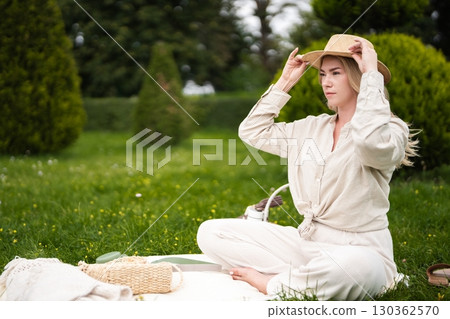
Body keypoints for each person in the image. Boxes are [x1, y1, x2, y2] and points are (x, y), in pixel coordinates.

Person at [196, 34, 418, 300]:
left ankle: (274, 284)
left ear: (358, 76)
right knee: (210, 232)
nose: (326, 82)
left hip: (360, 251)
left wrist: (372, 73)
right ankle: (307, 278)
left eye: (336, 73)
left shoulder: (391, 130)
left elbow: (369, 143)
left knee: (355, 269)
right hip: (307, 243)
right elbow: (252, 131)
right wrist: (285, 82)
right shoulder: (312, 127)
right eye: (323, 74)